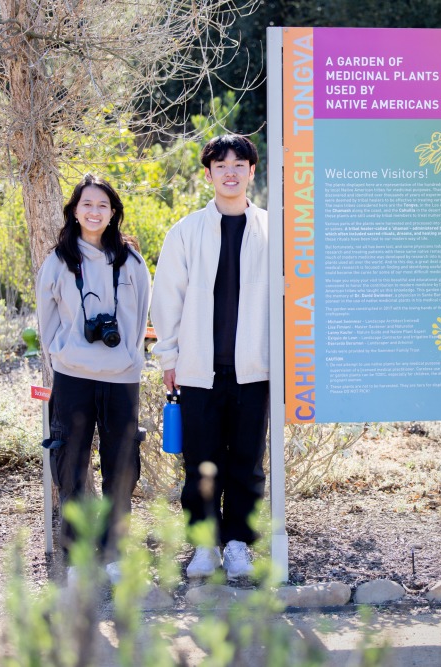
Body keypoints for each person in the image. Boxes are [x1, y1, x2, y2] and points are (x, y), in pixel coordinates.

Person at [150, 134, 269, 580]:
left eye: (240, 163)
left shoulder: (272, 230)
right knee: (200, 464)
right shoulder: (185, 231)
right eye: (222, 165)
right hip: (198, 370)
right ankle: (203, 546)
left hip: (256, 371)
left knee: (246, 464)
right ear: (208, 174)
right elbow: (167, 301)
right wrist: (169, 358)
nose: (231, 171)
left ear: (253, 172)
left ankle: (237, 544)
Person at [36, 174, 151, 585]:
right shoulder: (59, 260)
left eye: (103, 205)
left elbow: (139, 318)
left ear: (114, 211)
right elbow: (46, 319)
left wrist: (130, 357)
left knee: (123, 465)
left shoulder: (132, 261)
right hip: (73, 375)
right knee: (70, 464)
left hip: (122, 377)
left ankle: (115, 551)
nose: (94, 211)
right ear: (74, 210)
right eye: (87, 204)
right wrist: (63, 353)